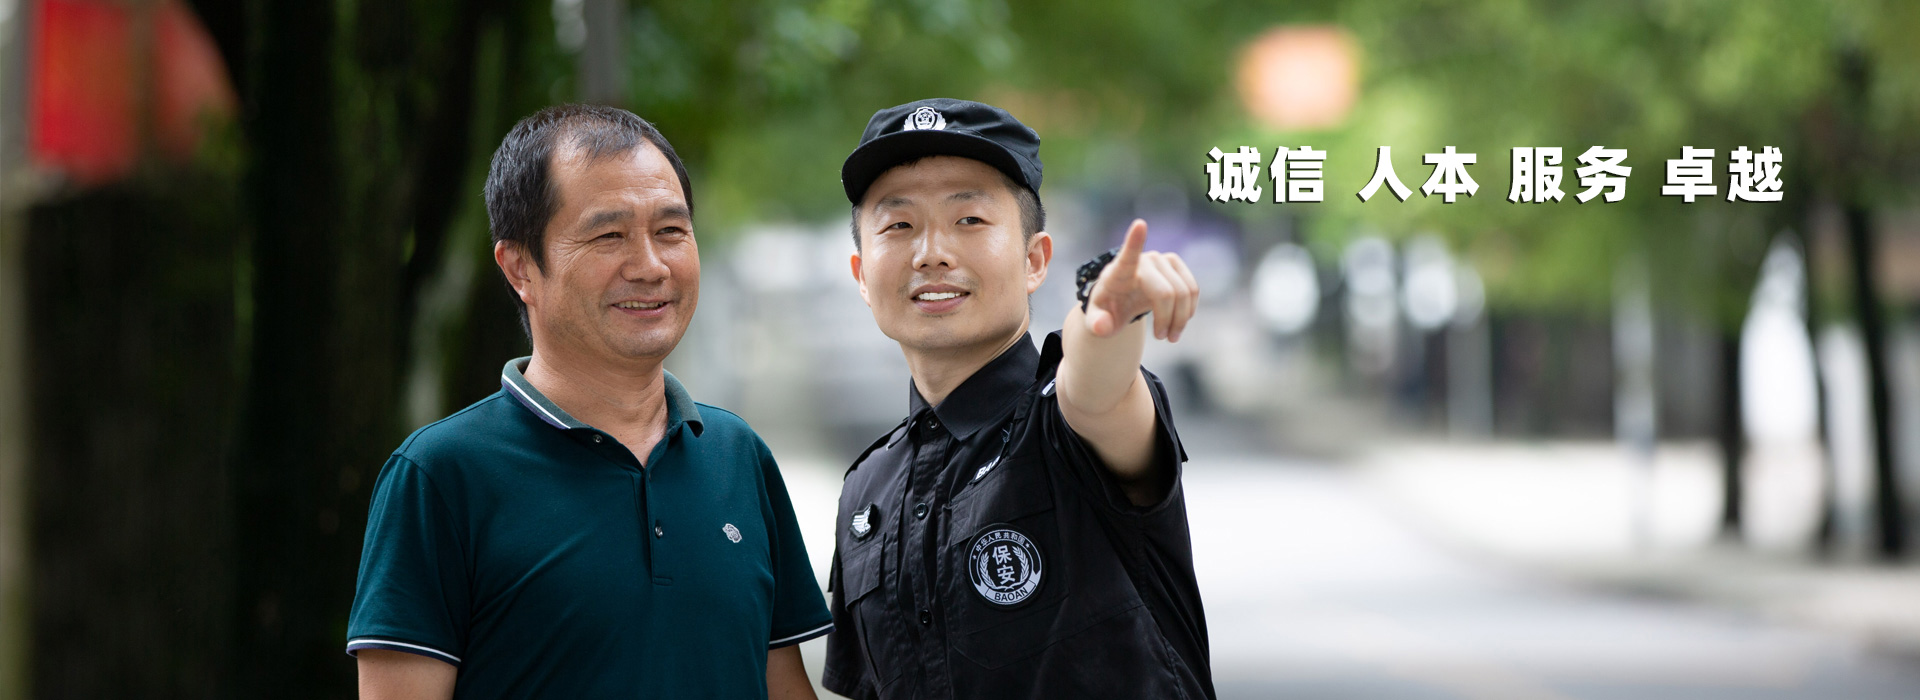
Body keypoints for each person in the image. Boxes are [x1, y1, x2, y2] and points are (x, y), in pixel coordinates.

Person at [346, 104, 830, 699]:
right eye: (608, 235)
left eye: (671, 231)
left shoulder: (738, 456)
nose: (650, 266)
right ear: (520, 267)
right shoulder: (440, 476)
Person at [822, 98, 1213, 699]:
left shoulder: (1063, 423)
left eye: (969, 219)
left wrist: (1105, 315)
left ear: (1035, 260)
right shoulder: (866, 491)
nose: (931, 252)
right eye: (899, 226)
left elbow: (1096, 385)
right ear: (861, 276)